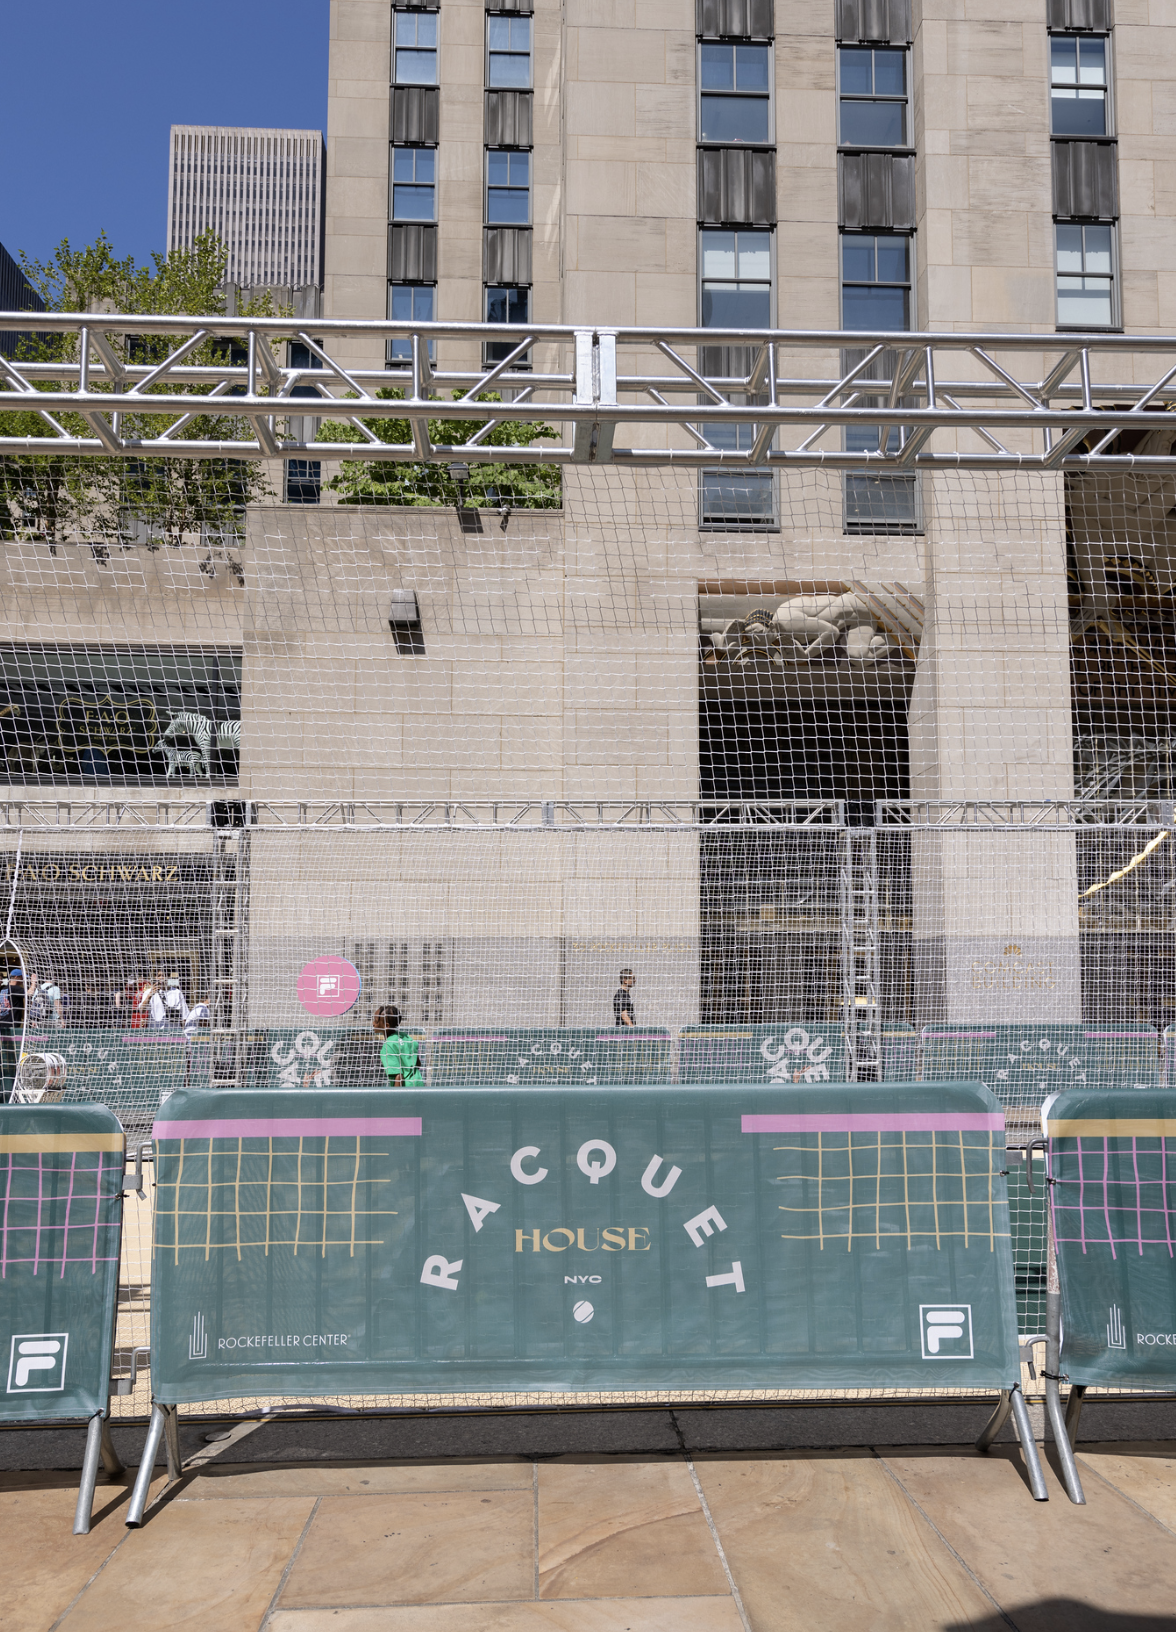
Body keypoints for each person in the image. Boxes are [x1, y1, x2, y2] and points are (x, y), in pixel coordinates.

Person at [374, 1004, 423, 1086]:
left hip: (405, 1090)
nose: (373, 1023)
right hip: (418, 1084)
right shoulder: (406, 1037)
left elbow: (399, 1076)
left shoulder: (388, 1046)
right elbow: (418, 1063)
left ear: (386, 1026)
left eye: (376, 1021)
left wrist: (396, 1094)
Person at [0, 969, 26, 1103]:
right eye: (22, 978)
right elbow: (30, 994)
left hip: (2, 1026)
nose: (23, 980)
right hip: (11, 1029)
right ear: (16, 977)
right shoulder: (15, 988)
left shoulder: (3, 989)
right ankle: (13, 1089)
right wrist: (33, 983)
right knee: (12, 1059)